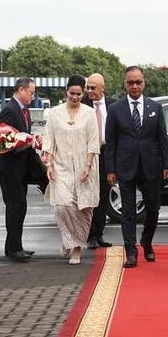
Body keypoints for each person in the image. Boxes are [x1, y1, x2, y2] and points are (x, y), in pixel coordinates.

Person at [105, 66, 168, 268]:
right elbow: (111, 142)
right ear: (125, 84)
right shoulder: (115, 109)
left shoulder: (155, 107)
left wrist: (166, 164)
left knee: (153, 209)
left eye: (138, 82)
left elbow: (162, 138)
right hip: (125, 166)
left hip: (150, 166)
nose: (135, 86)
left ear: (144, 83)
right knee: (128, 211)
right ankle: (131, 252)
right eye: (131, 82)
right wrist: (110, 169)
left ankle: (147, 241)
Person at [42, 75, 100, 265]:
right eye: (71, 93)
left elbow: (93, 141)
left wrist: (88, 165)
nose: (75, 97)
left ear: (83, 94)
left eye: (78, 94)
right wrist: (49, 165)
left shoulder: (89, 113)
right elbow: (48, 140)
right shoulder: (55, 113)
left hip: (85, 167)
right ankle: (67, 238)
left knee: (83, 209)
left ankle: (76, 249)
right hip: (61, 166)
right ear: (66, 91)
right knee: (62, 206)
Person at [0, 77, 40, 262]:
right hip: (9, 167)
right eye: (31, 92)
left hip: (20, 167)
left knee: (19, 206)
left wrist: (29, 139)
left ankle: (14, 245)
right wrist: (23, 140)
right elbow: (1, 140)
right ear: (21, 90)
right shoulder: (9, 110)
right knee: (16, 206)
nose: (32, 96)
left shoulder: (23, 110)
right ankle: (14, 249)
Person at [83, 73, 114, 249]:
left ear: (103, 88)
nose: (89, 91)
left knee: (103, 197)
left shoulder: (113, 105)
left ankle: (98, 234)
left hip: (106, 154)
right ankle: (89, 234)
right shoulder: (82, 105)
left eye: (93, 88)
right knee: (88, 196)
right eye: (88, 87)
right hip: (87, 156)